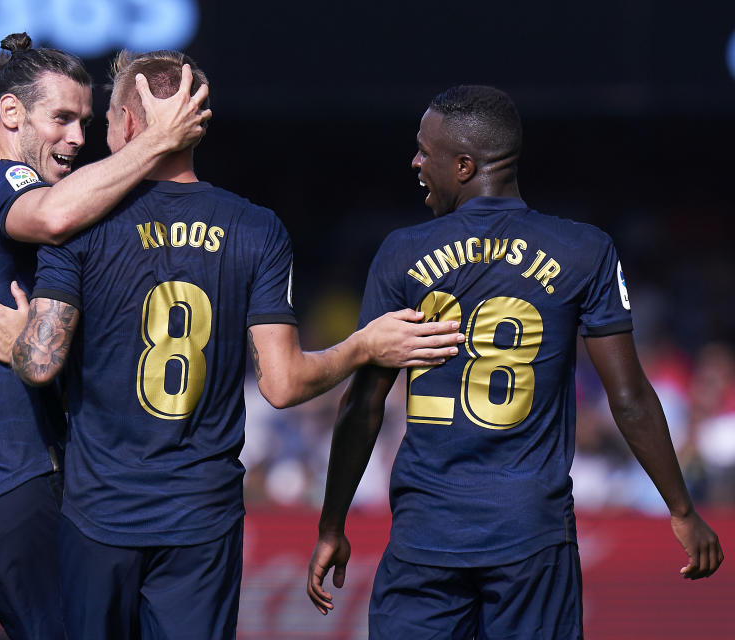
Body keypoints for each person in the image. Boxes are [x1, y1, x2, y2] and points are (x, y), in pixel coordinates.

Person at [6, 50, 463, 640]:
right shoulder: (256, 227)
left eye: (108, 118)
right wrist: (363, 345)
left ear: (131, 122)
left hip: (99, 515)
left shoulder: (76, 223)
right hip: (203, 518)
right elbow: (283, 383)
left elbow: (38, 363)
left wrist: (16, 335)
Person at [306, 85, 724, 638]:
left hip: (426, 535)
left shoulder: (400, 253)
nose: (415, 162)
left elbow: (363, 406)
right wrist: (681, 509)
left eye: (424, 151)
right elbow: (628, 396)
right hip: (531, 534)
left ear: (463, 164)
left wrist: (332, 523)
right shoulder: (584, 249)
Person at [0, 33, 210, 640]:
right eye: (61, 118)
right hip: (10, 480)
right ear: (11, 114)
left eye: (86, 121)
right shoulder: (2, 182)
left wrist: (35, 337)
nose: (77, 138)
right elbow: (54, 215)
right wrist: (156, 143)